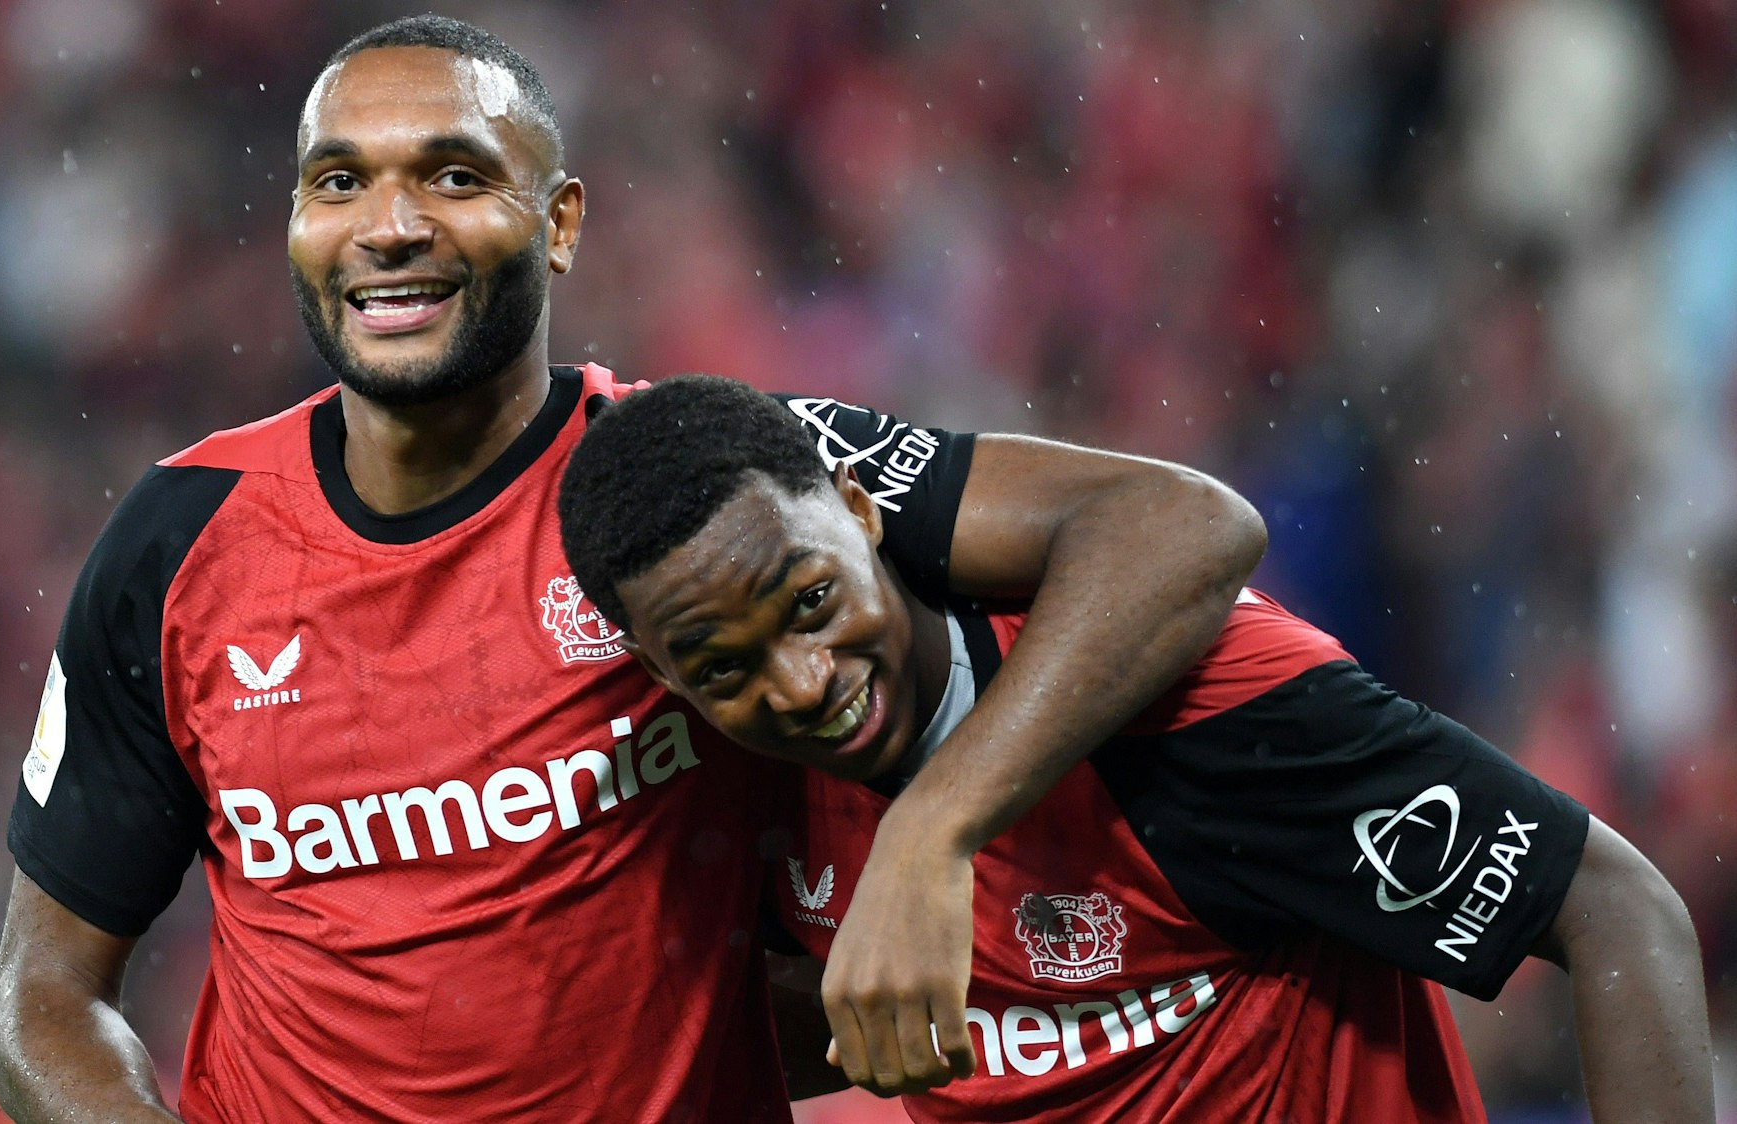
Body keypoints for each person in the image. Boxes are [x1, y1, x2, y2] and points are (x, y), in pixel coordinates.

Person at [0, 15, 1268, 1122]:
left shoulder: (707, 489)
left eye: (453, 175)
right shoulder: (177, 544)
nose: (390, 226)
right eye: (339, 182)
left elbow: (1174, 524)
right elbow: (43, 1001)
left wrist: (936, 830)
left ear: (559, 224)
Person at [554, 374, 1713, 1122]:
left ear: (862, 511)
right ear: (663, 676)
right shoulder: (745, 791)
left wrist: (927, 829)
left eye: (812, 601)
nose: (803, 682)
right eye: (725, 669)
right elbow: (851, 1025)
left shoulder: (1194, 706)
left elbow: (1617, 910)